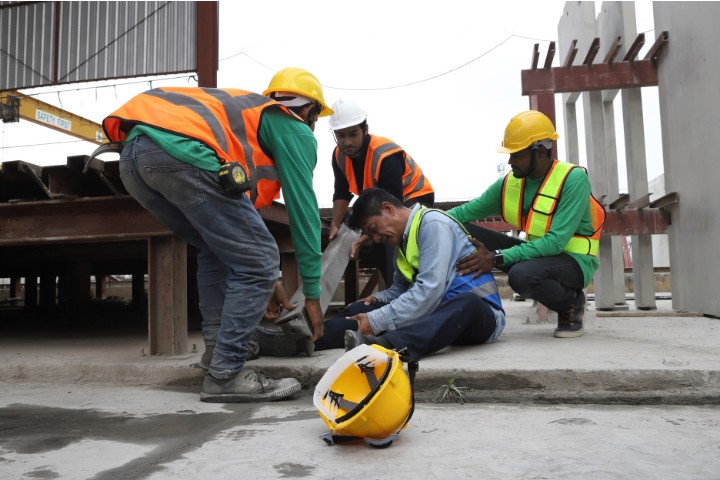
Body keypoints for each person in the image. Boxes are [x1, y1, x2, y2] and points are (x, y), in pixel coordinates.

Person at [103, 66, 333, 402]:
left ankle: (216, 360)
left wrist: (269, 281)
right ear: (310, 111)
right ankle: (226, 375)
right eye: (315, 118)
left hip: (135, 159)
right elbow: (304, 212)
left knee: (216, 251)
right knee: (263, 258)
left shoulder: (247, 122)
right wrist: (312, 293)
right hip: (180, 153)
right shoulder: (293, 127)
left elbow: (238, 240)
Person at [449, 110, 605, 338]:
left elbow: (555, 243)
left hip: (574, 262)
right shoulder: (511, 183)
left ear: (540, 152)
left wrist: (495, 257)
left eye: (516, 154)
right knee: (462, 229)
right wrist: (420, 220)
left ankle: (571, 302)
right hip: (539, 256)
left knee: (521, 276)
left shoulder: (573, 180)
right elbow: (463, 213)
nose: (510, 161)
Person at [314, 188, 505, 362]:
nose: (377, 239)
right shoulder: (402, 240)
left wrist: (376, 320)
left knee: (467, 303)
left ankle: (386, 345)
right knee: (360, 309)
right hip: (434, 310)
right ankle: (308, 339)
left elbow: (430, 290)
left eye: (373, 230)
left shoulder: (433, 224)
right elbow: (401, 288)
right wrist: (377, 299)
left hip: (479, 315)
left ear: (388, 209)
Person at [327, 98, 435, 283]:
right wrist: (335, 225)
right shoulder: (339, 156)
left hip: (413, 197)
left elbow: (392, 207)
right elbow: (342, 193)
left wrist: (363, 237)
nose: (347, 142)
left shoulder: (385, 155)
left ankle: (408, 293)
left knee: (388, 238)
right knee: (377, 248)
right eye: (341, 136)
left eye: (353, 134)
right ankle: (395, 292)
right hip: (380, 202)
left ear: (365, 130)